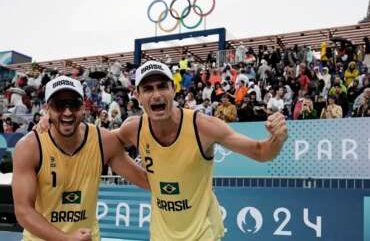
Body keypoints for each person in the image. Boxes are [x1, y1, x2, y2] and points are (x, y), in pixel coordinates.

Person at [112, 61, 288, 240]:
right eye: (148, 89)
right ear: (137, 96)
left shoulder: (203, 126)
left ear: (173, 89)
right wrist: (144, 179)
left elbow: (261, 152)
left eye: (162, 86)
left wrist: (277, 139)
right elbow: (104, 145)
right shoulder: (134, 129)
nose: (156, 95)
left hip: (203, 232)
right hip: (161, 234)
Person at [12, 76, 149, 241]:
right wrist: (66, 239)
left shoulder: (103, 141)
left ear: (83, 107)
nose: (67, 112)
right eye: (59, 105)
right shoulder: (29, 147)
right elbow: (23, 211)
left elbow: (146, 181)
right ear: (47, 108)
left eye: (74, 104)